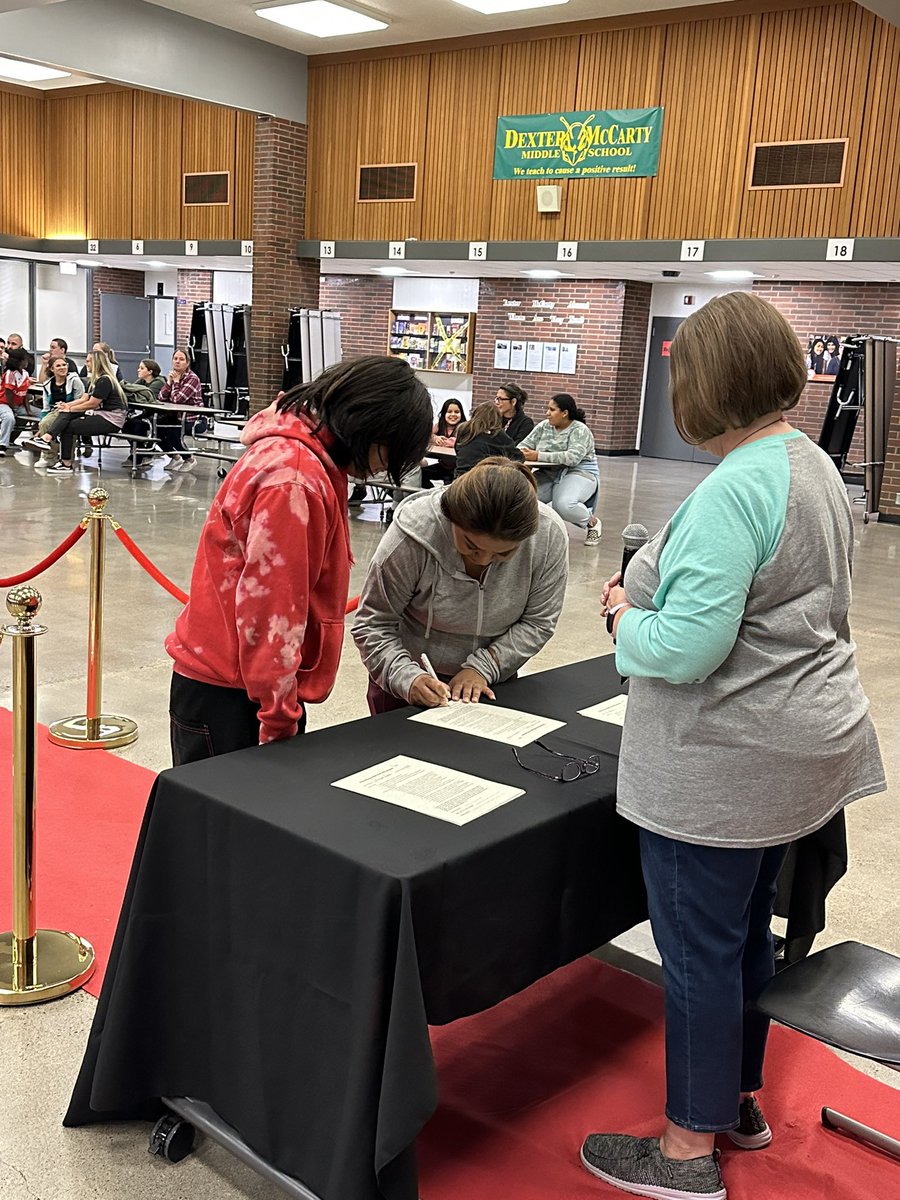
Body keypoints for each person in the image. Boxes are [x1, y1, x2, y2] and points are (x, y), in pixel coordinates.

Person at [582, 291, 886, 1200]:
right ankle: (736, 1102)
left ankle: (683, 1151)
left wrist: (625, 618)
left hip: (725, 767)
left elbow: (685, 646)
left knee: (698, 957)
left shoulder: (731, 490)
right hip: (799, 753)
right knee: (747, 936)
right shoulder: (810, 464)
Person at [165, 355, 433, 763]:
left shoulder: (297, 453)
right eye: (388, 454)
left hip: (235, 680)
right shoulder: (295, 479)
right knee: (232, 823)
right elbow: (271, 612)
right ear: (370, 428)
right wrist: (278, 718)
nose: (381, 469)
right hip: (237, 694)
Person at [353, 457, 568, 712]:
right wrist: (407, 678)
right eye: (470, 545)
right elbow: (373, 623)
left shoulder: (547, 536)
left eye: (503, 554)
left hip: (492, 680)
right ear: (451, 516)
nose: (483, 559)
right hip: (405, 678)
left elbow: (538, 622)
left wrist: (484, 667)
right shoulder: (413, 535)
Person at [518, 393, 602, 546]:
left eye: (552, 410)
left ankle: (592, 522)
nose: (547, 413)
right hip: (549, 472)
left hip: (579, 472)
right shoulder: (544, 426)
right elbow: (523, 445)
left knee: (563, 504)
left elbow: (572, 458)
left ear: (565, 413)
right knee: (524, 498)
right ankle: (544, 532)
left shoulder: (580, 430)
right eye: (547, 409)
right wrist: (522, 453)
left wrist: (537, 456)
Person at [43, 348, 128, 475]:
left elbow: (92, 404)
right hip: (100, 414)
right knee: (67, 417)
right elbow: (84, 398)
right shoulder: (94, 380)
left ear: (97, 363)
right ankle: (48, 440)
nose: (86, 364)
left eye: (88, 361)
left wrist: (70, 408)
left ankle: (62, 459)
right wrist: (67, 405)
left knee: (69, 426)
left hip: (111, 419)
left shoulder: (105, 380)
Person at [21, 356, 86, 465]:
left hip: (75, 410)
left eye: (64, 365)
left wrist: (67, 406)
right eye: (58, 365)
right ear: (52, 369)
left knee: (69, 425)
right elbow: (46, 408)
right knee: (44, 423)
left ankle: (67, 457)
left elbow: (81, 400)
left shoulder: (75, 381)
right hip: (55, 411)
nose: (62, 368)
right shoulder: (48, 384)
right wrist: (42, 420)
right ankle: (49, 457)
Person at [157, 348, 203, 471]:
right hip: (175, 416)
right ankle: (174, 457)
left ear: (187, 363)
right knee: (157, 429)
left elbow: (178, 399)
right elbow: (161, 397)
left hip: (191, 418)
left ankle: (189, 458)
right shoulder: (173, 376)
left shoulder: (192, 378)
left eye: (181, 359)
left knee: (173, 433)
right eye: (175, 358)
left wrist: (176, 383)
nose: (177, 362)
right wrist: (169, 382)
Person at [452, 401, 523, 478]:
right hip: (481, 482)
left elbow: (457, 450)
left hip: (459, 479)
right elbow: (518, 457)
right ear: (497, 419)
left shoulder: (463, 430)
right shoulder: (497, 435)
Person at [421, 397, 467, 487]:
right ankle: (430, 492)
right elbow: (427, 435)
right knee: (421, 474)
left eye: (457, 412)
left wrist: (450, 442)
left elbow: (463, 441)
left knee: (450, 488)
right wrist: (435, 438)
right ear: (443, 413)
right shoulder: (440, 425)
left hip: (457, 469)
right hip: (442, 466)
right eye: (449, 412)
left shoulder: (465, 427)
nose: (453, 415)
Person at [0, 347, 37, 455]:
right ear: (20, 361)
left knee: (42, 414)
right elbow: (8, 393)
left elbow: (25, 393)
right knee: (9, 418)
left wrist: (28, 409)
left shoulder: (25, 373)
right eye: (25, 359)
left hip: (19, 405)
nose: (27, 362)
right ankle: (2, 445)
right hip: (4, 404)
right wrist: (13, 408)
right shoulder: (10, 374)